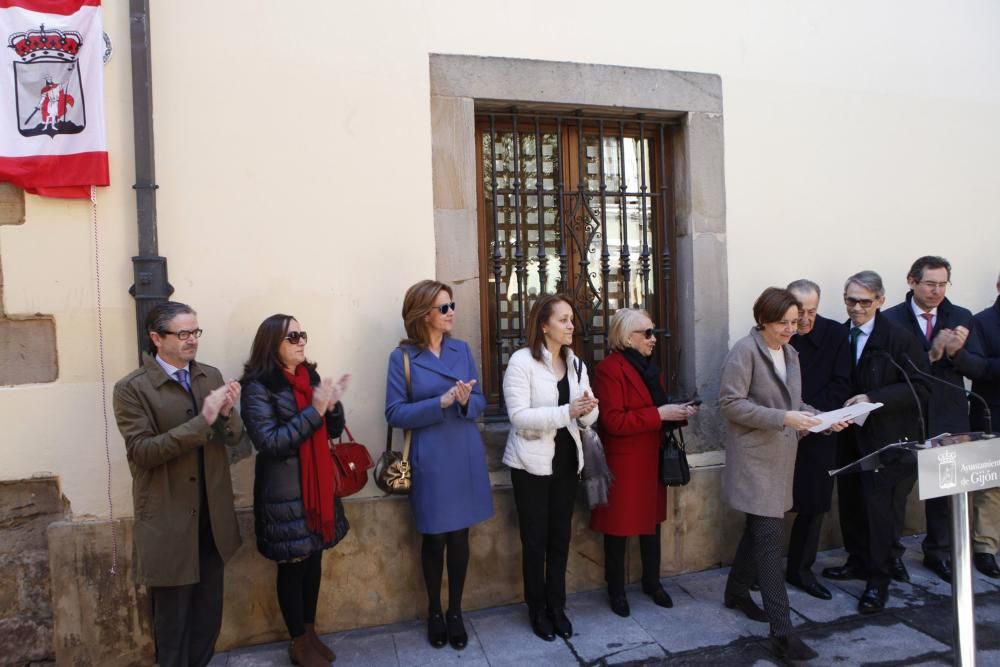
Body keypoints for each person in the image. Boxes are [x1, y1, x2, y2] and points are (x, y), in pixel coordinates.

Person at [113, 301, 244, 667]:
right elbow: (143, 452)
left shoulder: (210, 375)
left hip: (211, 517)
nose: (192, 340)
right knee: (172, 623)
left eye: (195, 332)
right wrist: (204, 419)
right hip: (169, 521)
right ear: (157, 338)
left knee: (208, 615)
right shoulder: (132, 389)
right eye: (182, 333)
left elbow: (233, 438)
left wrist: (229, 412)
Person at [720, 287, 842, 662]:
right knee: (771, 540)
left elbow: (792, 403)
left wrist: (819, 418)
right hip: (755, 459)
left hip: (781, 455)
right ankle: (783, 631)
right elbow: (729, 403)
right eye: (784, 323)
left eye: (797, 321)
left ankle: (736, 592)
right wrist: (783, 418)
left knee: (760, 529)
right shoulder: (744, 350)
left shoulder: (790, 352)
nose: (794, 328)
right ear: (763, 320)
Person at [384, 280, 493, 650]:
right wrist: (441, 402)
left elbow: (480, 403)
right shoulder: (401, 358)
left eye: (452, 306)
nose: (451, 313)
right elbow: (394, 412)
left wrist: (464, 402)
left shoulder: (462, 350)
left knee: (461, 536)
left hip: (462, 450)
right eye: (443, 308)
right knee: (434, 538)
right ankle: (434, 610)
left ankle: (456, 611)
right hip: (429, 455)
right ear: (423, 314)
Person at [240, 315, 350, 667]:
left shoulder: (310, 377)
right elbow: (269, 442)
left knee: (314, 557)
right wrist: (315, 412)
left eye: (303, 334)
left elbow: (331, 430)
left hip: (316, 488)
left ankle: (310, 630)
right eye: (293, 337)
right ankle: (298, 641)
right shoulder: (257, 387)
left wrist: (332, 406)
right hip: (284, 491)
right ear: (272, 345)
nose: (302, 341)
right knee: (292, 565)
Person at [821, 271, 930, 614]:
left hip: (885, 440)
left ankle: (878, 580)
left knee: (880, 512)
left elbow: (920, 389)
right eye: (850, 300)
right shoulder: (839, 334)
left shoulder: (899, 338)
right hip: (847, 436)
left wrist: (873, 396)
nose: (856, 308)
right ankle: (856, 560)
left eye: (865, 302)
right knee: (851, 503)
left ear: (881, 301)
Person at [883, 256, 989, 583]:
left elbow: (979, 369)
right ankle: (890, 556)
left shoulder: (961, 316)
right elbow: (891, 371)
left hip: (948, 415)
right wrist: (932, 353)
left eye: (943, 284)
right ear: (912, 281)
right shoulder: (890, 320)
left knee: (945, 492)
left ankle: (939, 553)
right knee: (896, 492)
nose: (936, 291)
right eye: (930, 284)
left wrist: (956, 352)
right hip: (905, 417)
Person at [503, 293, 599, 641]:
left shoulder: (576, 364)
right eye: (563, 319)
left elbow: (588, 416)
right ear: (543, 326)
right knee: (535, 541)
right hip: (529, 465)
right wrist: (567, 412)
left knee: (560, 537)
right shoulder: (521, 362)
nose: (571, 325)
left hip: (567, 462)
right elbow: (518, 417)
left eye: (571, 318)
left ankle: (557, 606)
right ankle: (537, 609)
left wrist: (588, 408)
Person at [590, 308, 697, 617]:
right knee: (619, 528)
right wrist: (660, 415)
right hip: (624, 460)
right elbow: (612, 421)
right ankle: (616, 590)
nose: (654, 338)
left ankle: (653, 582)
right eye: (647, 333)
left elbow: (658, 409)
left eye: (653, 331)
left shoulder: (650, 368)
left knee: (652, 524)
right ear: (627, 337)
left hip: (652, 456)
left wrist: (678, 414)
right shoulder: (609, 369)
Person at [785, 280, 852, 600]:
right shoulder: (776, 334)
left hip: (820, 429)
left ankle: (800, 569)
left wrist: (812, 419)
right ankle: (756, 569)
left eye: (812, 311)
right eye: (800, 312)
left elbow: (842, 384)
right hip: (782, 430)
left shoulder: (836, 335)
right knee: (769, 506)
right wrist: (792, 416)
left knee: (813, 507)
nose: (806, 320)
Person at [971, 272, 1000, 578]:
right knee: (993, 487)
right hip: (994, 412)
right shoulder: (982, 321)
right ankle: (986, 548)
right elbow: (977, 365)